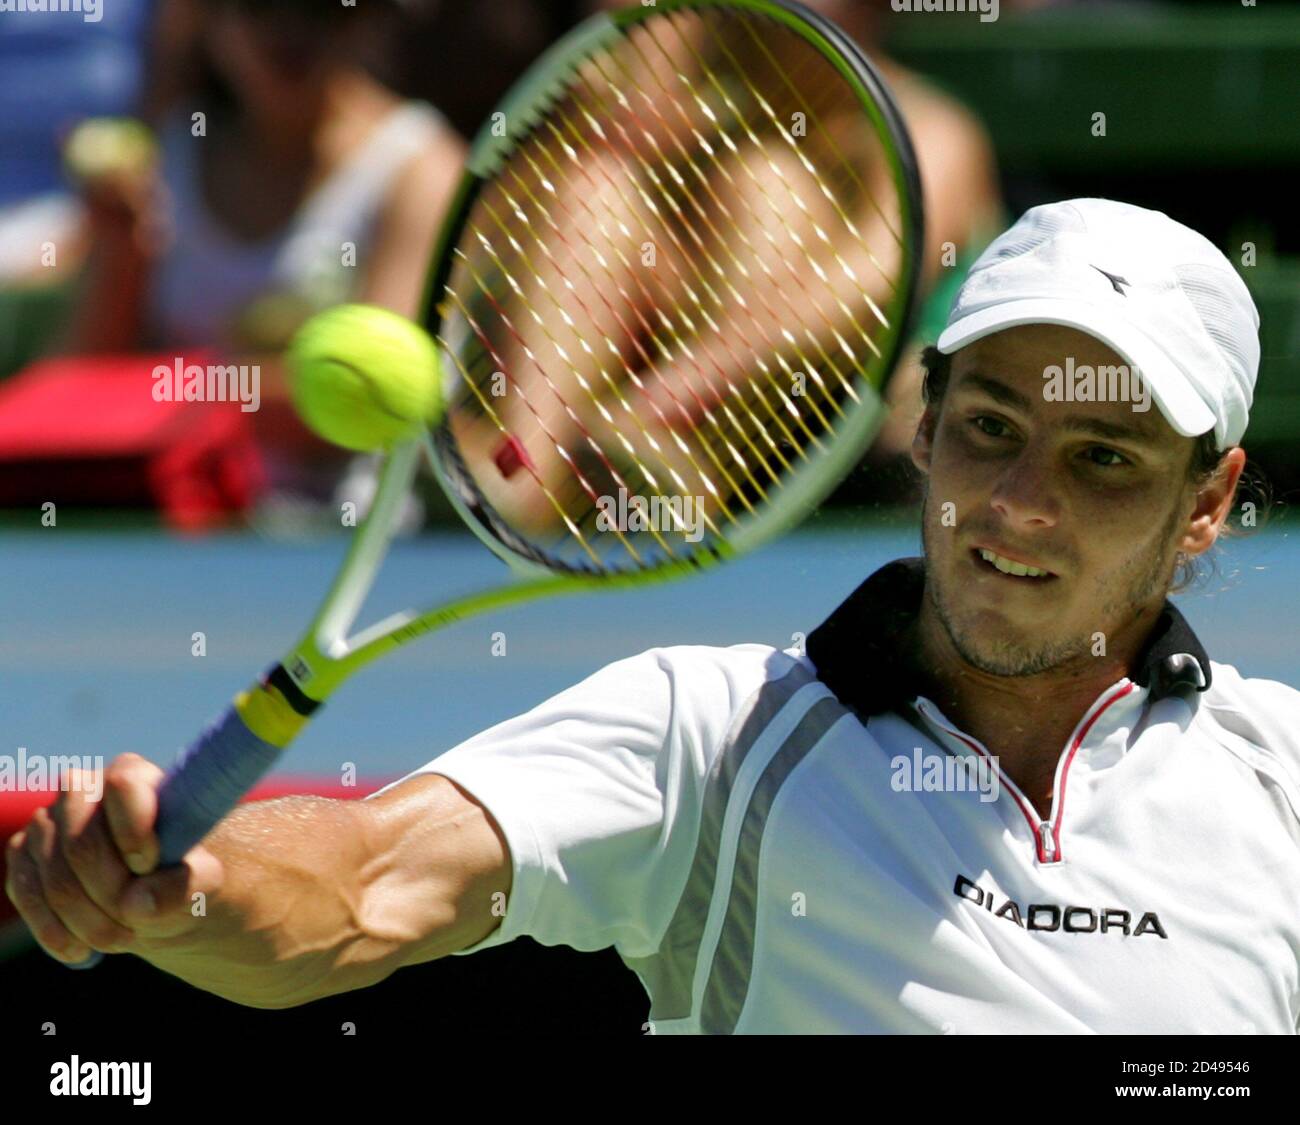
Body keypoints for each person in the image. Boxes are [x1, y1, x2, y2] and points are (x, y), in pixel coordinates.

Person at [7, 199, 1296, 1034]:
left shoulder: (1279, 784)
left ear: (1206, 504)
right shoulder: (717, 735)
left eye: (1102, 460)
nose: (1019, 505)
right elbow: (366, 882)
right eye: (991, 431)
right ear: (930, 428)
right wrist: (187, 889)